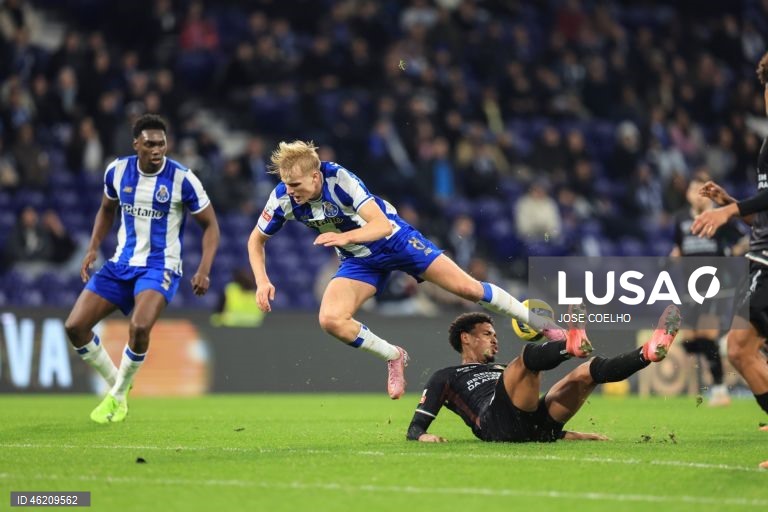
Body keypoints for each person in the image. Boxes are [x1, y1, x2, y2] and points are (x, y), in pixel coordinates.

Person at [247, 141, 586, 399]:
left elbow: (379, 225)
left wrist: (342, 236)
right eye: (287, 186)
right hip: (359, 261)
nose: (291, 193)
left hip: (396, 241)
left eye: (297, 186)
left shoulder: (340, 180)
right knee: (330, 320)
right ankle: (393, 356)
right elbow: (255, 240)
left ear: (315, 175)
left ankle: (544, 326)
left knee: (468, 289)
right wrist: (262, 281)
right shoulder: (283, 199)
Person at [63, 114, 220, 424]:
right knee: (75, 327)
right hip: (121, 263)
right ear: (136, 144)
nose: (156, 149)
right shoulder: (117, 171)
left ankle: (117, 396)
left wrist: (204, 268)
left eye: (161, 143)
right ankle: (119, 387)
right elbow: (106, 210)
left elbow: (211, 226)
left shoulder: (182, 179)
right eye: (149, 144)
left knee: (138, 327)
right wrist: (93, 246)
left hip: (160, 265)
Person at [406, 305, 681, 443]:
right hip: (495, 425)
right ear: (466, 338)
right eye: (488, 334)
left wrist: (565, 435)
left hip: (532, 425)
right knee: (526, 359)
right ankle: (569, 345)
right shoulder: (447, 374)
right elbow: (416, 426)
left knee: (588, 371)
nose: (495, 340)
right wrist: (422, 436)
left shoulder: (503, 370)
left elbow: (528, 408)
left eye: (495, 335)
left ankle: (648, 352)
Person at [690, 51, 768, 469]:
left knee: (739, 347)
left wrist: (729, 212)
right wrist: (733, 203)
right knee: (741, 347)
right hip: (762, 255)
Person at [671, 171, 746, 406]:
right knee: (689, 343)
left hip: (715, 285)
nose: (698, 196)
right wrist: (676, 255)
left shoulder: (718, 218)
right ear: (688, 194)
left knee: (705, 334)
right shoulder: (682, 219)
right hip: (690, 288)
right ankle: (723, 344)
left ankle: (720, 389)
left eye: (703, 191)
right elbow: (679, 246)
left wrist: (732, 253)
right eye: (695, 190)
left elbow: (744, 238)